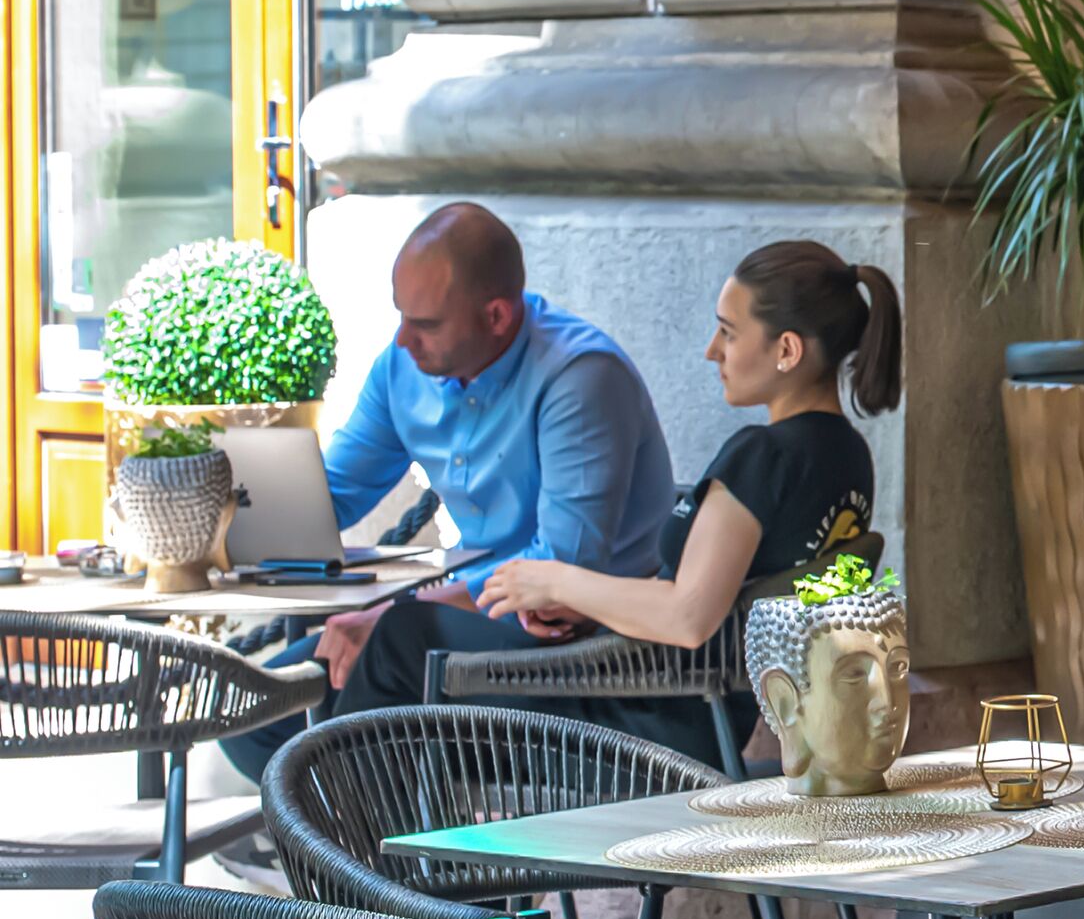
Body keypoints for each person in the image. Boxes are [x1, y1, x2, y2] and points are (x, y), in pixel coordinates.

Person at [219, 205, 672, 776]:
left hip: (581, 645)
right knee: (254, 711)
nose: (403, 339)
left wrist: (387, 614)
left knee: (397, 641)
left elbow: (561, 570)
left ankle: (351, 847)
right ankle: (348, 840)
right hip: (475, 623)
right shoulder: (401, 368)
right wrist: (211, 512)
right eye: (400, 316)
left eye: (426, 324)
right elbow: (332, 495)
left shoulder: (579, 377)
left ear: (498, 316)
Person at [465, 242, 894, 754]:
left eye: (729, 333)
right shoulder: (848, 456)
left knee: (408, 640)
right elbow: (719, 603)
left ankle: (357, 824)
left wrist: (553, 578)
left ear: (786, 350)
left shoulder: (762, 458)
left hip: (650, 719)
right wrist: (582, 604)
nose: (712, 350)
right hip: (710, 711)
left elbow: (688, 619)